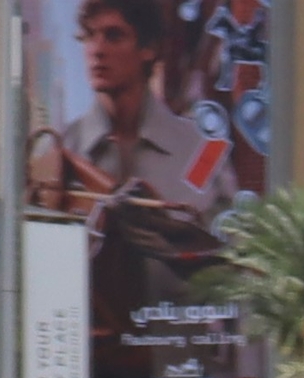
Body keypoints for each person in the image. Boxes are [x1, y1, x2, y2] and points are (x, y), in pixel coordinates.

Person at [56, 0, 237, 220]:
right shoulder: (61, 149)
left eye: (114, 36)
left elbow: (232, 241)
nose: (97, 50)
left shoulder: (201, 151)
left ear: (149, 48)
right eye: (89, 36)